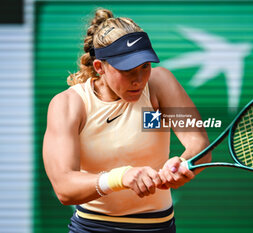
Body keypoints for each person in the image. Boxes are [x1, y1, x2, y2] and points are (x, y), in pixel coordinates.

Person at [42, 8, 211, 233]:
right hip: (93, 228)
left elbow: (198, 144)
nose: (139, 79)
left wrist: (182, 163)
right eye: (127, 70)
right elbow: (64, 187)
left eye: (145, 66)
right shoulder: (68, 104)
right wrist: (121, 177)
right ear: (100, 67)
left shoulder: (160, 83)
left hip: (159, 227)